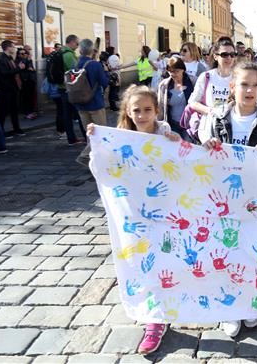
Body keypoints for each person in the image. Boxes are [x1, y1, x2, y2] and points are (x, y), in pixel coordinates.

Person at [84, 85, 180, 353]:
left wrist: (173, 141)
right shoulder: (120, 137)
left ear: (157, 111)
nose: (142, 115)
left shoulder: (164, 133)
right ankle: (154, 319)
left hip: (164, 212)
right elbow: (104, 168)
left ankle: (170, 305)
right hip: (135, 214)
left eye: (147, 110)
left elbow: (182, 163)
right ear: (127, 111)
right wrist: (97, 141)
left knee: (164, 261)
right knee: (142, 262)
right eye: (136, 110)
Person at [203, 61, 257, 337]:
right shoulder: (216, 118)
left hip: (256, 201)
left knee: (253, 254)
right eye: (244, 84)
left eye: (256, 85)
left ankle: (251, 303)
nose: (250, 90)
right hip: (224, 201)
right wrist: (209, 147)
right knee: (226, 253)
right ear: (232, 87)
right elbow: (201, 155)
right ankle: (229, 309)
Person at [187, 36, 236, 143]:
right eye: (224, 55)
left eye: (232, 55)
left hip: (232, 128)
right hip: (208, 130)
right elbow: (192, 102)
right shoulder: (206, 76)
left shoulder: (238, 78)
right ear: (215, 56)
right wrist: (211, 111)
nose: (229, 58)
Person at [73, 39, 109, 132]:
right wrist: (106, 71)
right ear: (92, 51)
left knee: (89, 134)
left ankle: (90, 146)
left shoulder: (75, 64)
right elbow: (105, 82)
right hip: (95, 103)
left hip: (81, 104)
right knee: (101, 133)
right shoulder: (95, 65)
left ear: (80, 51)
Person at [156, 56, 194, 140]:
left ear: (183, 70)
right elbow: (160, 108)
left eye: (176, 71)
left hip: (189, 125)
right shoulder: (164, 85)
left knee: (188, 146)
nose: (173, 74)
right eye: (171, 71)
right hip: (172, 124)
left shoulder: (193, 81)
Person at [59, 35, 85, 145]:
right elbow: (75, 71)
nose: (78, 46)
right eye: (77, 43)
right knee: (80, 113)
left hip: (62, 88)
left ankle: (71, 139)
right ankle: (86, 137)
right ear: (72, 42)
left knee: (67, 115)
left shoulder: (62, 52)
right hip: (70, 88)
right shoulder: (69, 55)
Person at [0, 40, 24, 138]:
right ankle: (0, 131)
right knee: (3, 111)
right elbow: (4, 73)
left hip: (13, 88)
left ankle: (17, 128)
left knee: (14, 109)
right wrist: (19, 68)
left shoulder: (10, 58)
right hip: (5, 89)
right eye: (13, 46)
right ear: (8, 48)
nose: (15, 48)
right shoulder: (1, 59)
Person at [17, 47, 38, 120]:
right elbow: (25, 69)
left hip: (31, 81)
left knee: (31, 97)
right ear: (18, 55)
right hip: (24, 81)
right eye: (21, 54)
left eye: (24, 53)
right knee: (26, 98)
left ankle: (31, 111)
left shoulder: (29, 60)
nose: (23, 55)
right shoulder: (21, 61)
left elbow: (32, 70)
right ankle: (27, 113)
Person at [105, 46, 121, 111]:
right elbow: (108, 67)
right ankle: (113, 106)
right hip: (113, 76)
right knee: (113, 91)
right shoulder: (110, 58)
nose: (115, 51)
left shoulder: (109, 58)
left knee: (113, 91)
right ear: (112, 51)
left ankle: (113, 105)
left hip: (113, 75)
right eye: (114, 50)